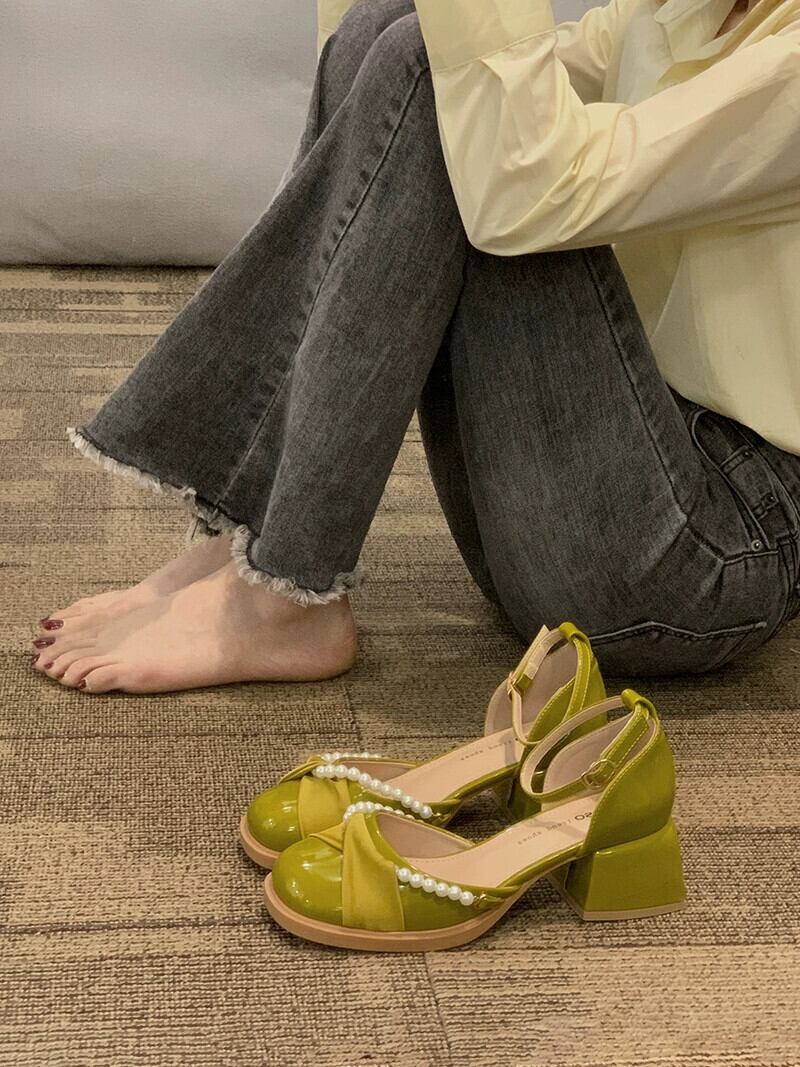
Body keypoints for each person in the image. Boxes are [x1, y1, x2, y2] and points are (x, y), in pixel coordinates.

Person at [31, 0, 800, 693]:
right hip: (603, 480)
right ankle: (254, 539)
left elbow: (533, 187)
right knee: (396, 34)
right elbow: (414, 107)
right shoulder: (680, 12)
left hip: (706, 556)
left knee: (452, 88)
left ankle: (287, 591)